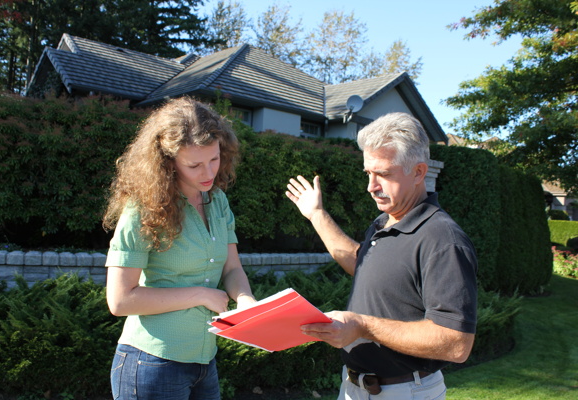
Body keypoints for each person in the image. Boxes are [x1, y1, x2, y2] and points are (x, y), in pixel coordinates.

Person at [285, 112, 477, 400]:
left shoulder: (442, 239)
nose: (371, 186)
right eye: (368, 173)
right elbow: (361, 264)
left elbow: (456, 344)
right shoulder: (385, 222)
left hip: (404, 391)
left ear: (419, 172)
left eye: (384, 174)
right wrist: (316, 215)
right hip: (354, 388)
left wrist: (363, 326)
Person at [103, 97, 256, 400]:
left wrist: (247, 301)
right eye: (194, 165)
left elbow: (232, 267)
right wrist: (200, 295)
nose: (208, 172)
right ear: (167, 160)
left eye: (214, 159)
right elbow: (119, 301)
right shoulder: (143, 209)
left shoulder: (218, 202)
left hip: (204, 361)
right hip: (150, 363)